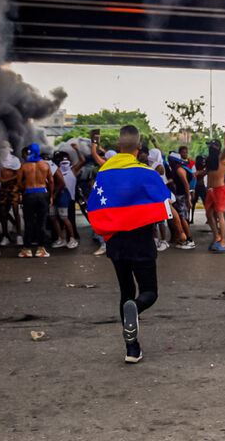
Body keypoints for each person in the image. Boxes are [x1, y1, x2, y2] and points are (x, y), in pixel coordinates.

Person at [86, 125, 187, 363]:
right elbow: (166, 206)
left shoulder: (104, 174)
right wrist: (179, 233)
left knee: (126, 291)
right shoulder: (147, 174)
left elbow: (94, 206)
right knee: (149, 292)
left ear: (118, 147)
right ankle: (137, 307)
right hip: (141, 241)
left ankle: (132, 348)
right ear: (138, 148)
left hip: (116, 244)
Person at [16, 143, 54, 258]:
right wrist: (50, 196)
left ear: (29, 152)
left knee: (28, 222)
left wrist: (25, 190)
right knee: (41, 222)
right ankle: (40, 249)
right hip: (42, 194)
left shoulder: (24, 166)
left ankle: (27, 249)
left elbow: (18, 183)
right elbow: (51, 181)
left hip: (29, 194)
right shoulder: (45, 165)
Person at [205, 124, 225, 252]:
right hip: (210, 190)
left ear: (218, 147)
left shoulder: (222, 156)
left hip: (219, 189)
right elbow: (208, 172)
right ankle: (216, 236)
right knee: (209, 214)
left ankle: (223, 241)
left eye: (213, 145)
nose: (211, 147)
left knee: (220, 215)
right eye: (209, 145)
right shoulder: (210, 159)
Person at [0, 147, 23, 247]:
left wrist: (5, 180)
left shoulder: (14, 160)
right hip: (3, 189)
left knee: (16, 211)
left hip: (13, 188)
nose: (3, 150)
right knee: (3, 212)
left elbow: (18, 175)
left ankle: (19, 236)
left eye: (5, 148)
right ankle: (5, 236)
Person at [168, 152, 194, 244]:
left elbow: (186, 184)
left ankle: (189, 239)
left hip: (182, 196)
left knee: (183, 218)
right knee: (181, 217)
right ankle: (185, 238)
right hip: (179, 196)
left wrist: (188, 199)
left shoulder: (179, 170)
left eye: (170, 159)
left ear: (173, 161)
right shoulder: (176, 169)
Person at [190, 155, 208, 224]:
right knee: (204, 203)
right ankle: (192, 219)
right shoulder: (198, 167)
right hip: (199, 186)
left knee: (195, 203)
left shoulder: (196, 167)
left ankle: (192, 219)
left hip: (198, 186)